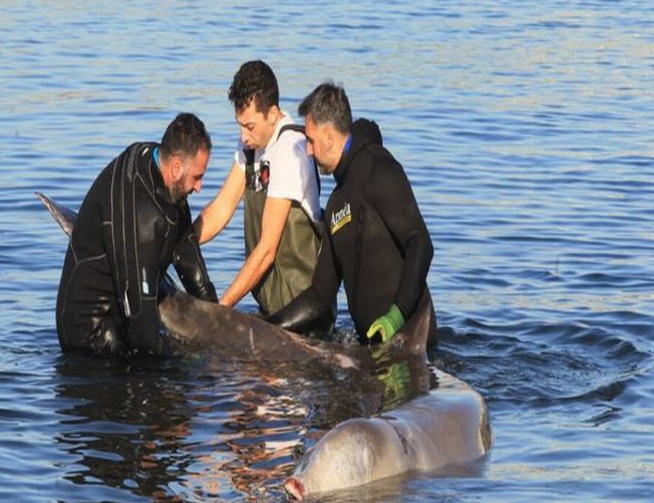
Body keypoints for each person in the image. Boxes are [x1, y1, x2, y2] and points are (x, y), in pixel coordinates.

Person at [268, 83, 438, 348]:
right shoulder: (336, 203)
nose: (309, 151)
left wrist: (396, 316)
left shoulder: (379, 169)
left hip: (411, 340)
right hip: (372, 347)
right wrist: (267, 326)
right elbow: (319, 297)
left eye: (310, 140)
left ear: (329, 135)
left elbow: (420, 243)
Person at [56, 113, 217, 357]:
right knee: (163, 369)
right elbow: (140, 316)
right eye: (197, 178)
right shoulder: (141, 214)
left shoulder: (164, 171)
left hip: (124, 313)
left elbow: (184, 247)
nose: (199, 187)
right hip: (91, 336)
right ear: (176, 167)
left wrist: (216, 322)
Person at [194, 61, 330, 322]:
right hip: (272, 309)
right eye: (240, 125)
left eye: (250, 126)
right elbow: (222, 207)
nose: (243, 136)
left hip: (303, 313)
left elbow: (267, 249)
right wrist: (181, 241)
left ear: (272, 113)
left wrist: (220, 311)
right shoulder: (251, 144)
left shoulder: (291, 151)